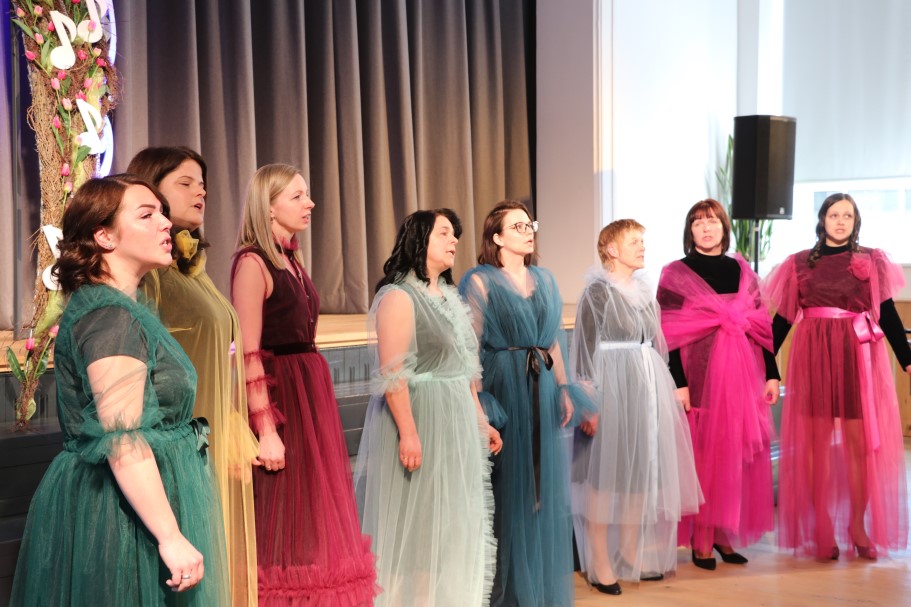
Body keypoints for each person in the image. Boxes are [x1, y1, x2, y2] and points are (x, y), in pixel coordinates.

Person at [10, 175, 228, 605]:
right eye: (147, 215)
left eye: (163, 213)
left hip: (136, 505)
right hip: (121, 516)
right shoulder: (110, 317)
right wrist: (170, 537)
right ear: (104, 236)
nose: (166, 223)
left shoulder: (120, 310)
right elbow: (122, 438)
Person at [231, 164, 377, 605]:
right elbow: (249, 353)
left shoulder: (290, 260)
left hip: (309, 393)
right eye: (297, 196)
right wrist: (266, 429)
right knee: (285, 519)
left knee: (313, 516)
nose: (309, 203)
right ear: (268, 206)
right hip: (284, 399)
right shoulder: (253, 263)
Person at [127, 146, 259, 606]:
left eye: (202, 184)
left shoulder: (194, 270)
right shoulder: (150, 275)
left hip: (210, 429)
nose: (200, 191)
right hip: (175, 442)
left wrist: (231, 420)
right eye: (185, 183)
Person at [354, 208, 502, 606]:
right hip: (421, 419)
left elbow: (466, 371)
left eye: (455, 234)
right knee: (418, 529)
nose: (454, 241)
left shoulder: (449, 296)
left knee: (446, 527)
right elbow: (393, 374)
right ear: (420, 240)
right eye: (444, 233)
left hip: (453, 423)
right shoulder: (399, 296)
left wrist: (481, 422)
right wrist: (409, 433)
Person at [763, 193, 911, 561]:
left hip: (856, 357)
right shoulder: (798, 264)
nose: (841, 221)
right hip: (813, 358)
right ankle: (824, 526)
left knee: (860, 447)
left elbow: (888, 313)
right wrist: (767, 369)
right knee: (816, 449)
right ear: (822, 220)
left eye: (847, 215)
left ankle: (858, 525)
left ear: (856, 221)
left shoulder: (871, 261)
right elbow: (782, 321)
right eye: (834, 214)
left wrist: (907, 358)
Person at [459, 200, 592, 607]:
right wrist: (478, 401)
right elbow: (470, 345)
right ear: (497, 237)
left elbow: (553, 340)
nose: (527, 231)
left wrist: (564, 388)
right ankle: (506, 591)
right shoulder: (479, 280)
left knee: (540, 488)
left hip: (542, 383)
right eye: (516, 226)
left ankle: (537, 586)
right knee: (508, 486)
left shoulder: (545, 278)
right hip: (504, 382)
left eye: (529, 224)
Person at [571, 220, 702, 594]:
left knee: (638, 472)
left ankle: (629, 551)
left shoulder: (645, 292)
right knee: (604, 475)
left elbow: (656, 344)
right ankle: (599, 559)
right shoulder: (597, 293)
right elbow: (583, 350)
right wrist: (588, 403)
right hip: (611, 387)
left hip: (644, 387)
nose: (642, 247)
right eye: (634, 241)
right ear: (612, 249)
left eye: (642, 241)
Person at [656, 198, 779, 570]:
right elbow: (666, 333)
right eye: (698, 222)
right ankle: (702, 539)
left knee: (734, 456)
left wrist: (772, 373)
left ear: (724, 227)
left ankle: (724, 534)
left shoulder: (741, 270)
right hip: (698, 373)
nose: (706, 228)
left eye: (712, 221)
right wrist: (678, 382)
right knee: (703, 458)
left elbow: (761, 326)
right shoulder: (674, 273)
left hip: (742, 376)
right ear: (689, 231)